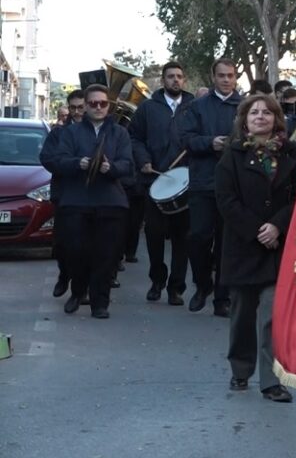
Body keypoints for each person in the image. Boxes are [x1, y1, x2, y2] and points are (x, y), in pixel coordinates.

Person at [215, 94, 296, 402]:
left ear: (276, 119)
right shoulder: (233, 154)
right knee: (242, 314)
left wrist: (277, 225)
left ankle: (272, 381)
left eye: (267, 112)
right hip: (243, 247)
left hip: (278, 248)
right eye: (254, 113)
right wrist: (257, 231)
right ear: (245, 120)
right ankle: (240, 369)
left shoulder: (291, 153)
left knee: (273, 316)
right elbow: (226, 200)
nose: (261, 117)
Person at [46, 84, 133, 318]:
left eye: (103, 103)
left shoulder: (120, 133)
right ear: (85, 106)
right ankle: (77, 291)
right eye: (93, 103)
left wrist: (110, 168)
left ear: (108, 106)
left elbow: (127, 164)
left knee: (106, 255)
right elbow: (58, 160)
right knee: (75, 251)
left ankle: (100, 303)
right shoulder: (70, 132)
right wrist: (78, 163)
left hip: (110, 202)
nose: (98, 107)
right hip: (77, 201)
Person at [179, 57, 242, 317]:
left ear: (235, 78)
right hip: (203, 182)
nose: (226, 80)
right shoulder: (198, 106)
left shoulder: (246, 106)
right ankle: (202, 284)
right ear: (213, 77)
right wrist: (210, 142)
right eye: (221, 75)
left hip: (235, 186)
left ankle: (222, 298)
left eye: (230, 75)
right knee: (198, 238)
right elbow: (185, 139)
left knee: (228, 244)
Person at [130, 61, 194, 306]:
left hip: (185, 183)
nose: (175, 80)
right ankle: (157, 280)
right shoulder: (147, 108)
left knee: (182, 238)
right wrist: (143, 160)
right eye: (170, 76)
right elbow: (135, 137)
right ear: (163, 80)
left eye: (179, 76)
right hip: (154, 181)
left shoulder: (194, 107)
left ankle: (176, 288)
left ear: (184, 80)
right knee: (154, 234)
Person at [40, 89, 86, 298]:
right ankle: (64, 274)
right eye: (73, 108)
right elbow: (47, 158)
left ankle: (83, 288)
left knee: (87, 244)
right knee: (62, 243)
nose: (77, 112)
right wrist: (70, 165)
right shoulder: (58, 133)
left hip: (90, 195)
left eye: (81, 107)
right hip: (65, 194)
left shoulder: (97, 131)